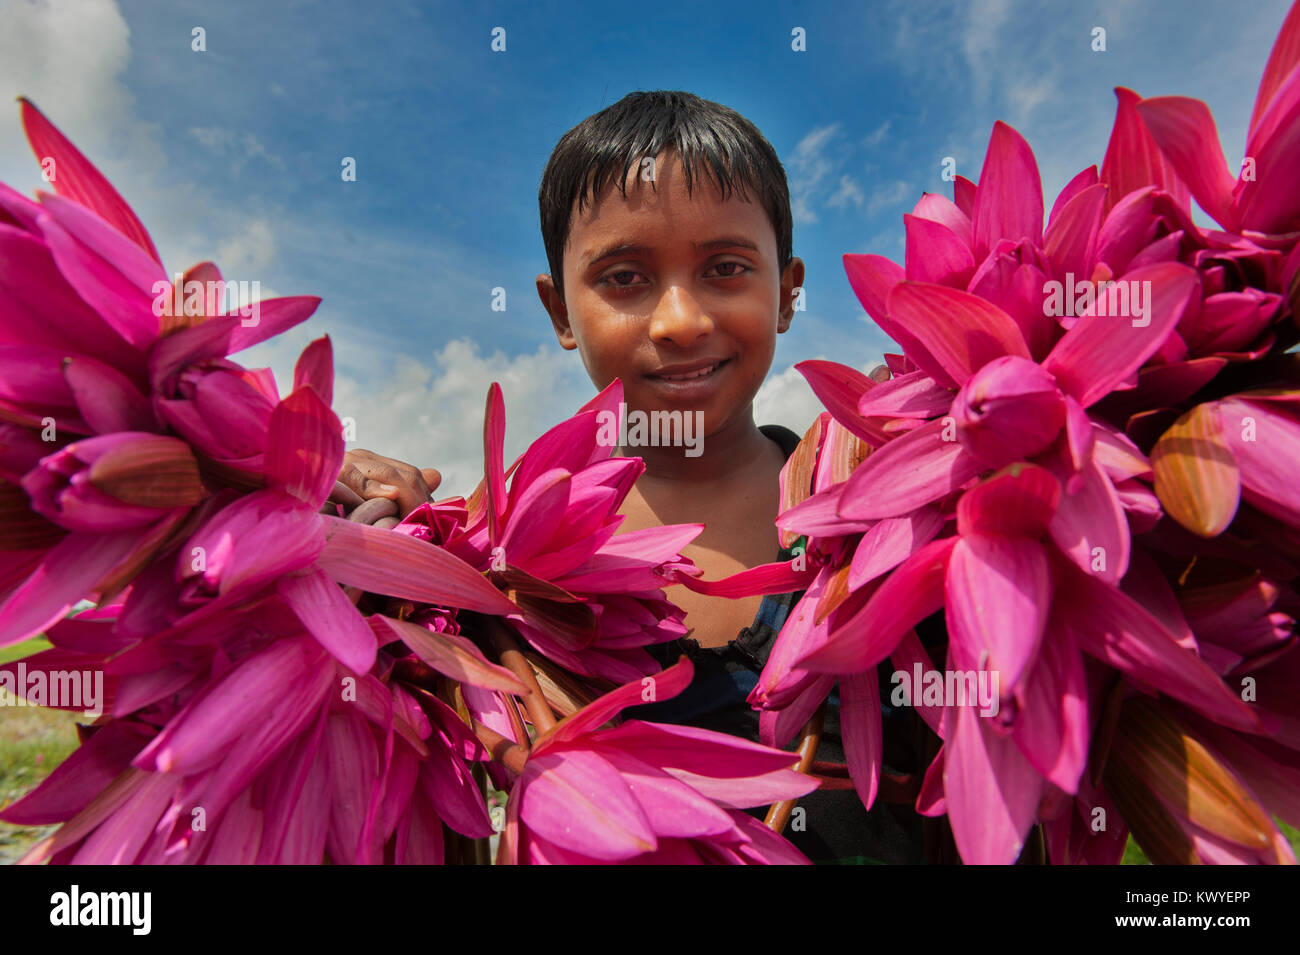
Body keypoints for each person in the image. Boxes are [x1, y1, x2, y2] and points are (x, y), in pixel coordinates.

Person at [337, 90, 929, 863]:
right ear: (560, 311)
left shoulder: (896, 511)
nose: (680, 319)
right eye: (623, 278)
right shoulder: (488, 576)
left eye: (725, 267)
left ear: (786, 291)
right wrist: (373, 545)